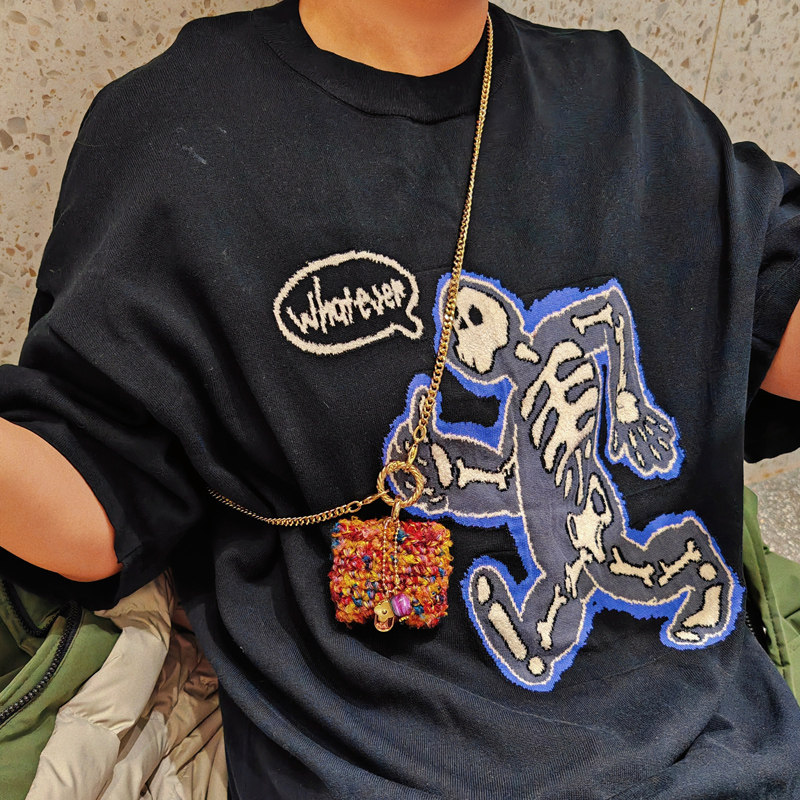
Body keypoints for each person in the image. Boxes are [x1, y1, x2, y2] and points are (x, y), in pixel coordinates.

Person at [1, 0, 800, 797]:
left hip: (722, 758)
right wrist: (445, 469)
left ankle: (683, 577)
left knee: (622, 569)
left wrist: (626, 405)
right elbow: (96, 492)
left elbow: (746, 317)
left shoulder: (635, 110)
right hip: (373, 767)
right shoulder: (177, 133)